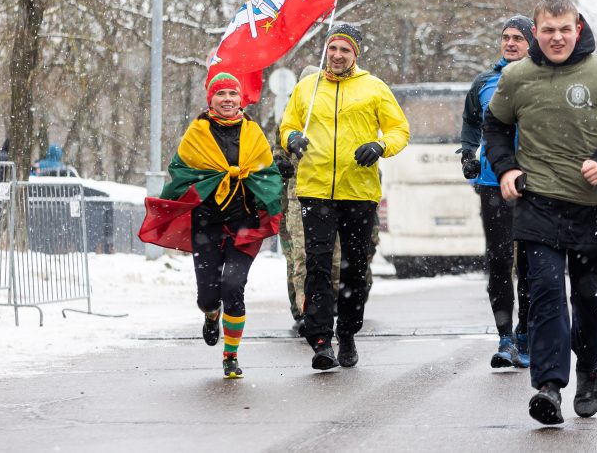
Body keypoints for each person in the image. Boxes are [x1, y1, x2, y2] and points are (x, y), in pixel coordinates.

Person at [483, 0, 597, 425]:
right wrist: (506, 169)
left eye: (564, 29)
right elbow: (495, 126)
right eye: (548, 30)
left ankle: (588, 371)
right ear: (536, 32)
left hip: (595, 207)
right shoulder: (517, 76)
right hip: (539, 204)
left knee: (589, 300)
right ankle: (550, 386)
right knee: (548, 295)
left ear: (578, 27)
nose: (557, 37)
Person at [280, 23, 410, 370]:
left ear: (356, 54)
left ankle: (348, 333)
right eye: (333, 49)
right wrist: (292, 139)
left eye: (345, 50)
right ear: (326, 51)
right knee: (317, 266)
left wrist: (379, 145)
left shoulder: (374, 88)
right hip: (315, 190)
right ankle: (321, 341)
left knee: (354, 269)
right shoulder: (308, 87)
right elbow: (288, 125)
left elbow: (400, 130)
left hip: (359, 191)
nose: (338, 56)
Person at [139, 72, 283, 378]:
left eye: (233, 94)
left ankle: (230, 356)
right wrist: (211, 179)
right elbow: (181, 171)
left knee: (233, 286)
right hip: (206, 224)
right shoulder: (196, 133)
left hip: (244, 225)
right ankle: (210, 314)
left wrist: (264, 186)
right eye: (221, 94)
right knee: (207, 295)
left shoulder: (253, 132)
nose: (228, 100)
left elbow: (265, 172)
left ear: (241, 99)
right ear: (211, 99)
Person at [458, 15, 533, 369]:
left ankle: (526, 334)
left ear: (531, 43)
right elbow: (471, 122)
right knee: (499, 261)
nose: (510, 43)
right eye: (506, 37)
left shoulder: (543, 78)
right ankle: (504, 338)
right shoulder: (485, 81)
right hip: (492, 183)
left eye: (518, 38)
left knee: (532, 264)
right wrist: (468, 154)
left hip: (537, 185)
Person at [277, 67, 341, 335]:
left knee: (334, 259)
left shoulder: (337, 111)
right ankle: (307, 313)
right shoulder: (290, 116)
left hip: (335, 193)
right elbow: (274, 150)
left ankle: (328, 307)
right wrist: (282, 158)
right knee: (302, 257)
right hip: (297, 195)